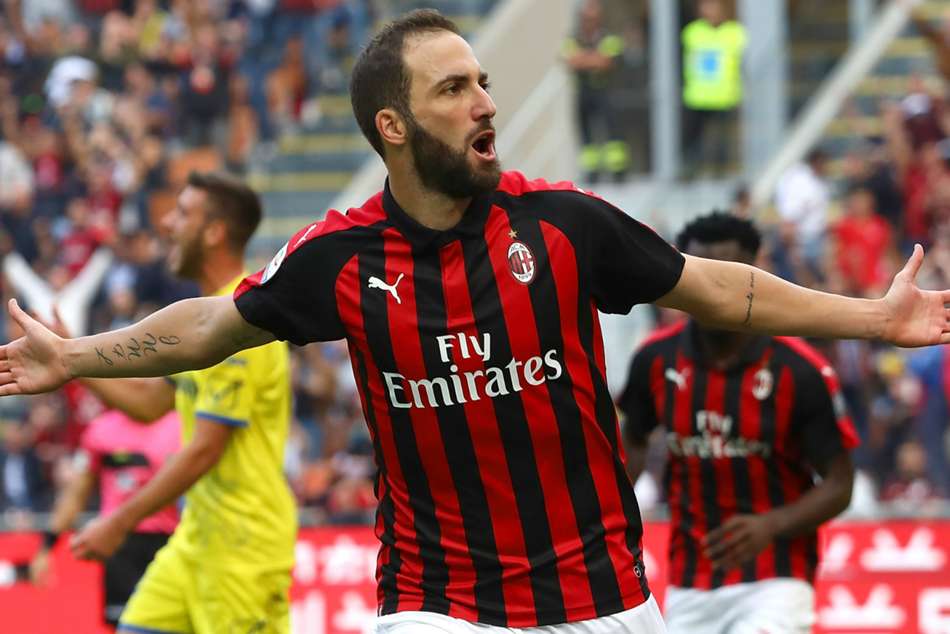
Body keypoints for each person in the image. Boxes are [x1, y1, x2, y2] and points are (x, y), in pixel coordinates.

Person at [1, 9, 950, 633]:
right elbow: (212, 326)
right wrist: (75, 356)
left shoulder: (565, 224)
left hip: (603, 599)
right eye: (453, 89)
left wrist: (873, 318)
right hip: (436, 603)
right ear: (393, 126)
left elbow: (719, 289)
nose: (485, 103)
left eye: (482, 81)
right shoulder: (341, 257)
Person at [19, 171, 295, 634]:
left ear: (214, 232)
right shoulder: (208, 319)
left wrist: (119, 521)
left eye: (183, 213)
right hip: (195, 539)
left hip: (243, 549)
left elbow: (205, 449)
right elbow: (150, 403)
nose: (167, 223)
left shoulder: (245, 325)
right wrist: (71, 361)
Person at [618, 212, 859, 634]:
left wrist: (771, 525)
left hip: (777, 579)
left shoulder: (800, 370)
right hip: (690, 579)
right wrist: (612, 518)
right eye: (704, 274)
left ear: (754, 273)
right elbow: (633, 441)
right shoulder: (654, 360)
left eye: (728, 274)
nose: (715, 289)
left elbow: (840, 484)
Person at [29, 408, 180, 629]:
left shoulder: (182, 422)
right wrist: (47, 546)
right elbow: (76, 493)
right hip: (118, 544)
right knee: (125, 625)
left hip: (171, 542)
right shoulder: (100, 430)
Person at [562, 0, 629, 183]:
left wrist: (585, 59)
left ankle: (618, 172)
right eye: (586, 18)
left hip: (606, 92)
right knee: (586, 134)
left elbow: (608, 61)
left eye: (593, 18)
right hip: (584, 93)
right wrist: (595, 59)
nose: (589, 22)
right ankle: (592, 173)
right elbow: (570, 61)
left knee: (613, 132)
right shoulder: (574, 38)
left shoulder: (609, 38)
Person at [681, 0, 746, 178]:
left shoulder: (735, 32)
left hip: (725, 96)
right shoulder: (692, 32)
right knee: (694, 139)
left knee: (721, 141)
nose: (709, 12)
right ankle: (692, 172)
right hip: (697, 96)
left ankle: (720, 174)